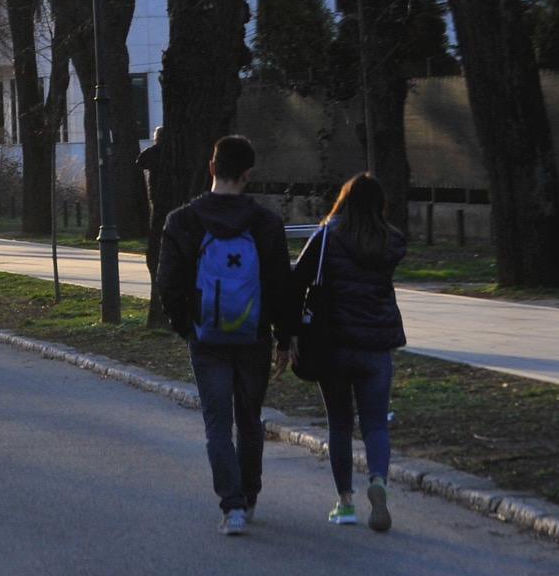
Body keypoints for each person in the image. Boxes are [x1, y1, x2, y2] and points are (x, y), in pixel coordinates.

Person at [155, 134, 299, 536]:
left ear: (212, 168)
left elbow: (167, 284)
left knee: (216, 424)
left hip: (206, 338)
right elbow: (281, 285)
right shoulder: (266, 224)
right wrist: (284, 338)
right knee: (249, 421)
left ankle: (231, 507)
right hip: (253, 337)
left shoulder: (182, 221)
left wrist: (188, 327)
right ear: (248, 175)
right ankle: (249, 497)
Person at [294, 173, 406, 532]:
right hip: (377, 345)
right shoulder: (391, 241)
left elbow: (299, 279)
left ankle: (344, 502)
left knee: (340, 424)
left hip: (334, 344)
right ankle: (378, 481)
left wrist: (290, 333)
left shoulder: (328, 237)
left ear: (343, 200)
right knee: (375, 423)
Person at [138, 127, 164, 278]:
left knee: (157, 216)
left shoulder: (152, 151)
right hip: (167, 188)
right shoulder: (172, 151)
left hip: (155, 189)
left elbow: (140, 162)